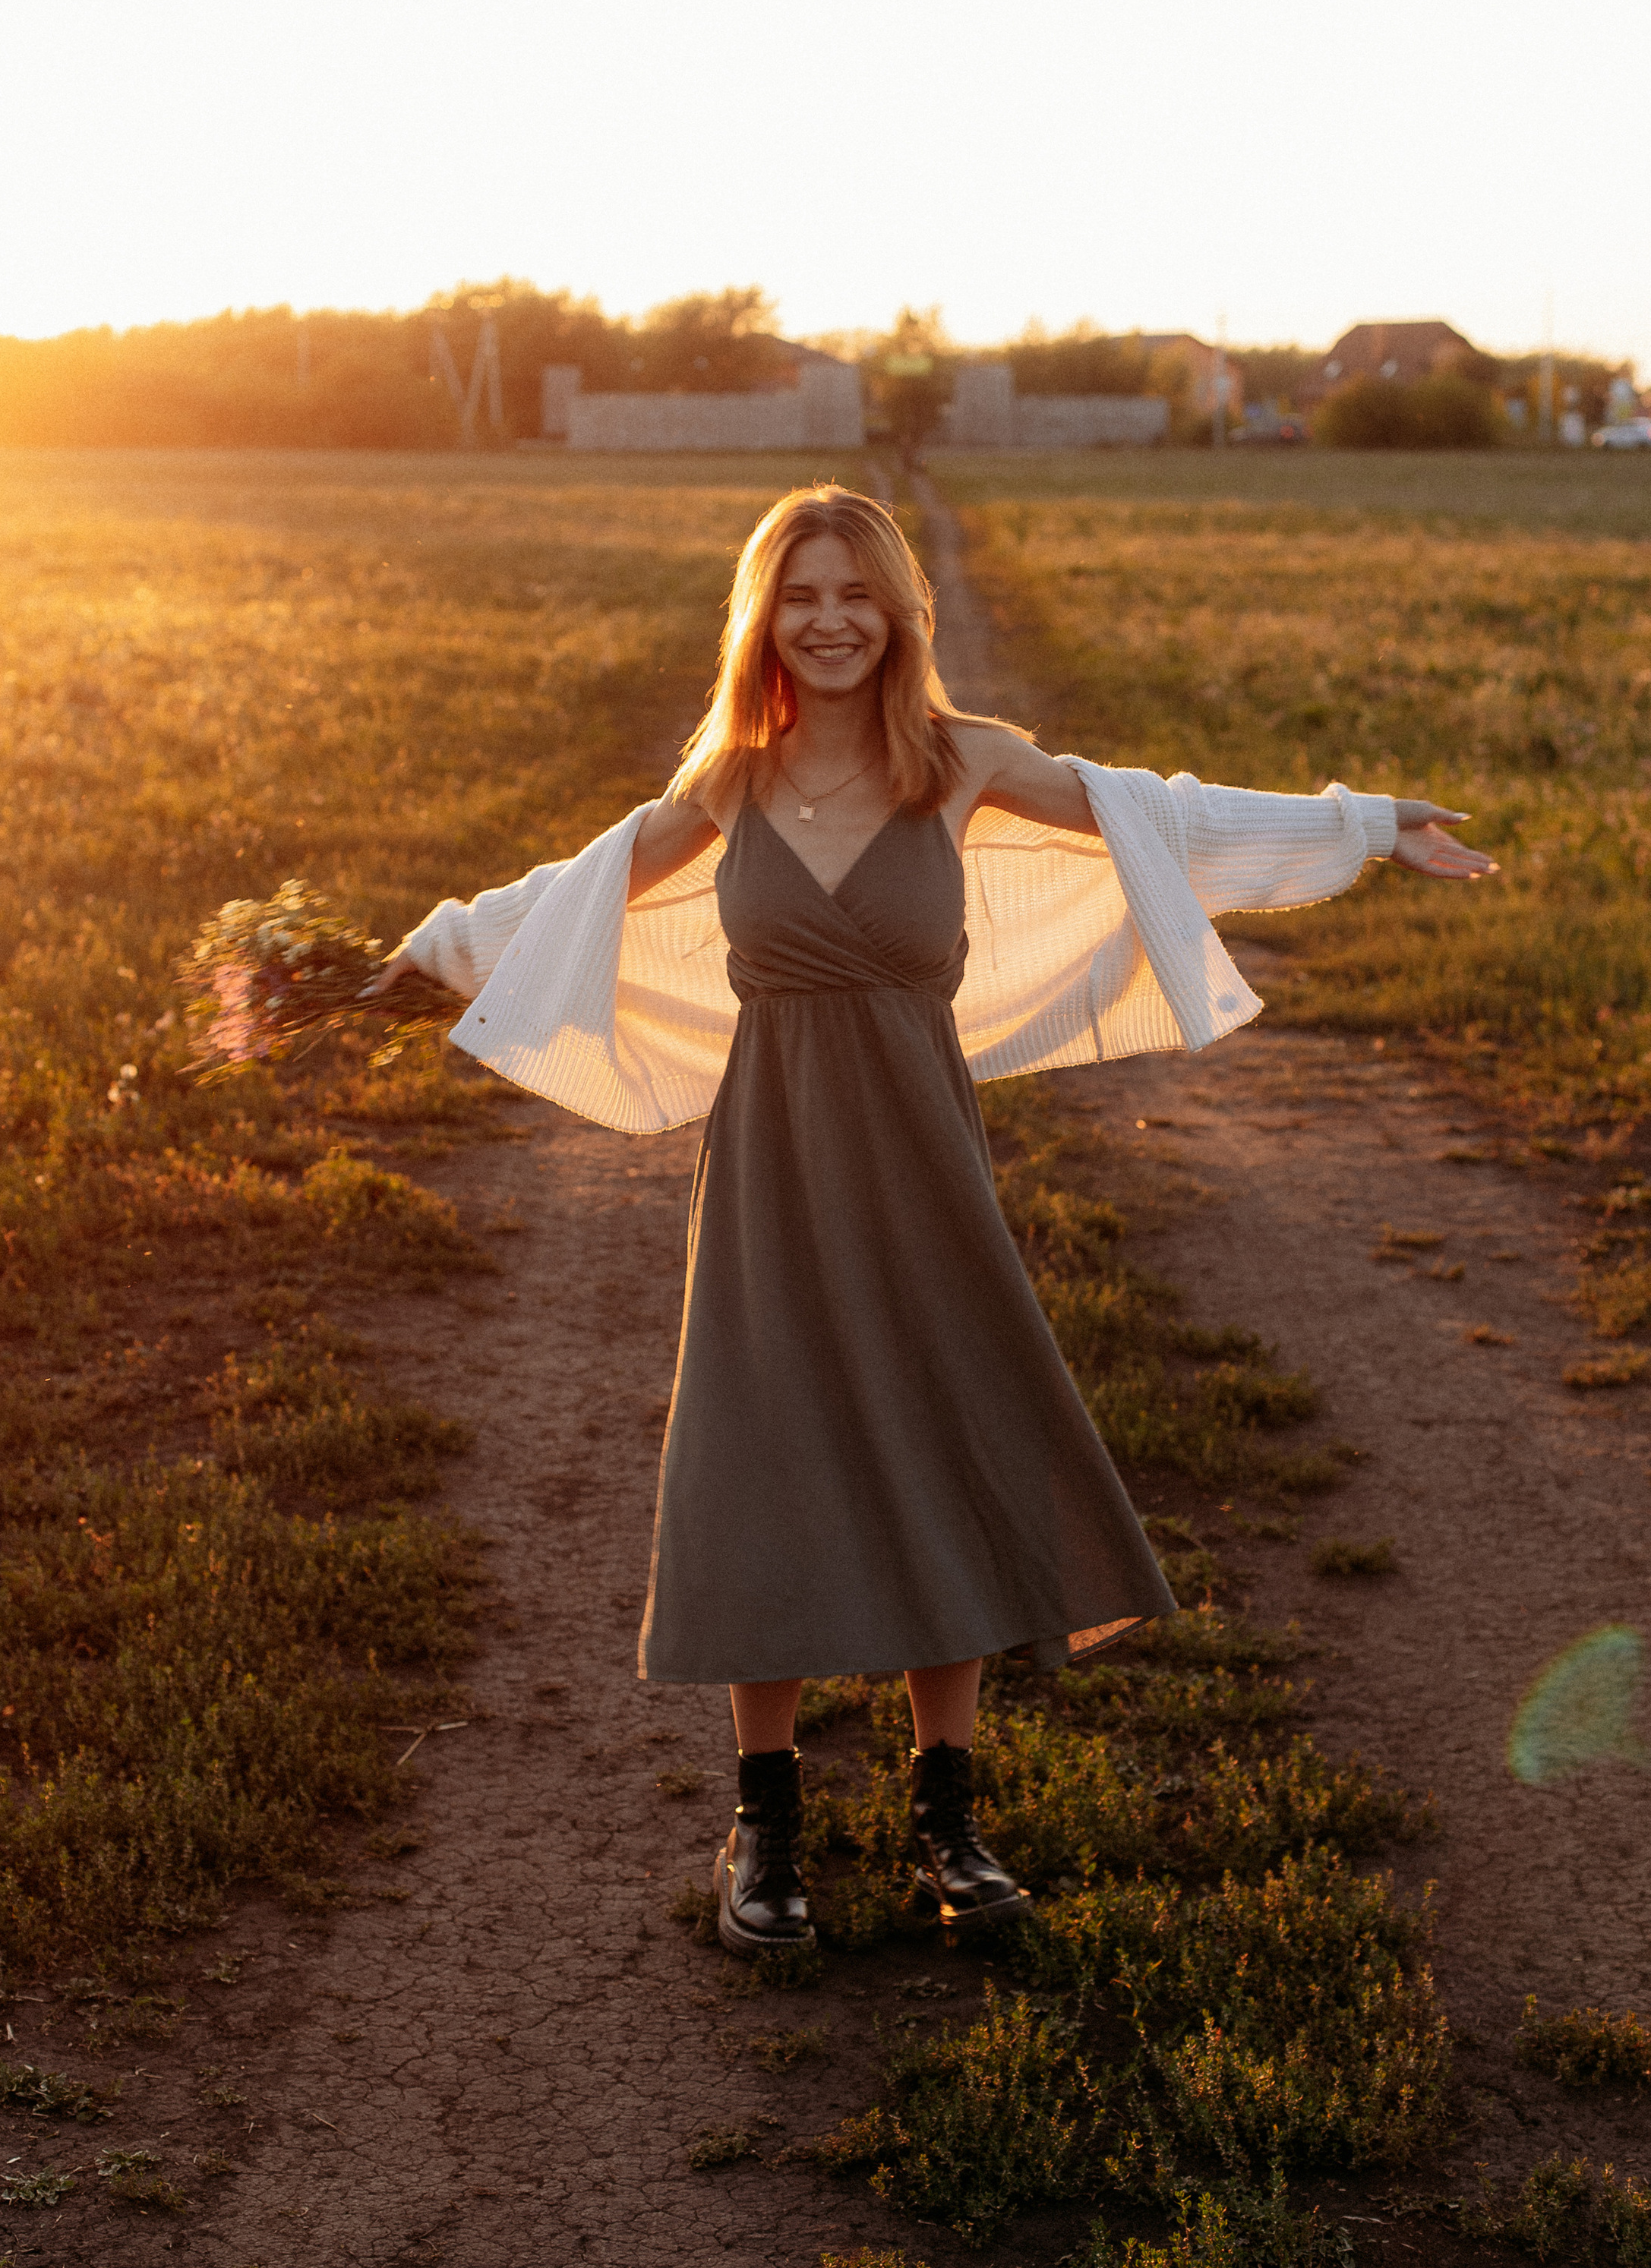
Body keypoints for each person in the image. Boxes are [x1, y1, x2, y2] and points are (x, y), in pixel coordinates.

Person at [368, 487, 1493, 1961]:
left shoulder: (961, 763)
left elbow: (1154, 812)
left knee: (938, 1433)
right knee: (757, 1452)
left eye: (855, 593)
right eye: (798, 596)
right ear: (760, 619)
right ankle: (759, 1826)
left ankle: (943, 1816)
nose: (828, 620)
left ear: (899, 611)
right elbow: (569, 891)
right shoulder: (728, 781)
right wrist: (413, 954)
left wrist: (1360, 822)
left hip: (918, 1152)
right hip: (772, 1160)